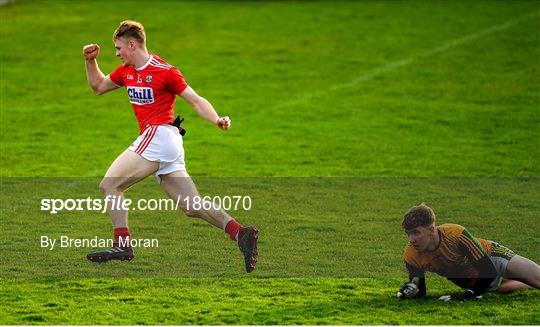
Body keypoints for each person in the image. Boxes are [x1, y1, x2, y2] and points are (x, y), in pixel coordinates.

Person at [82, 20, 258, 272]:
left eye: (119, 48)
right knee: (191, 206)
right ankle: (241, 233)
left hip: (160, 135)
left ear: (132, 44)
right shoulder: (125, 71)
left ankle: (123, 245)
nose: (117, 53)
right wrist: (90, 61)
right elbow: (98, 87)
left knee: (109, 184)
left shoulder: (166, 71)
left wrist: (217, 118)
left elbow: (195, 100)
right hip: (167, 142)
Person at [398, 203, 539, 301]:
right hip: (471, 277)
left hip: (492, 258)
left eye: (416, 233)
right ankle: (527, 284)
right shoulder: (411, 255)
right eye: (408, 233)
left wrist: (469, 293)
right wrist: (409, 290)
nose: (411, 239)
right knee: (501, 287)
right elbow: (420, 290)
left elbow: (489, 270)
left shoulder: (455, 234)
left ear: (431, 229)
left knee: (537, 277)